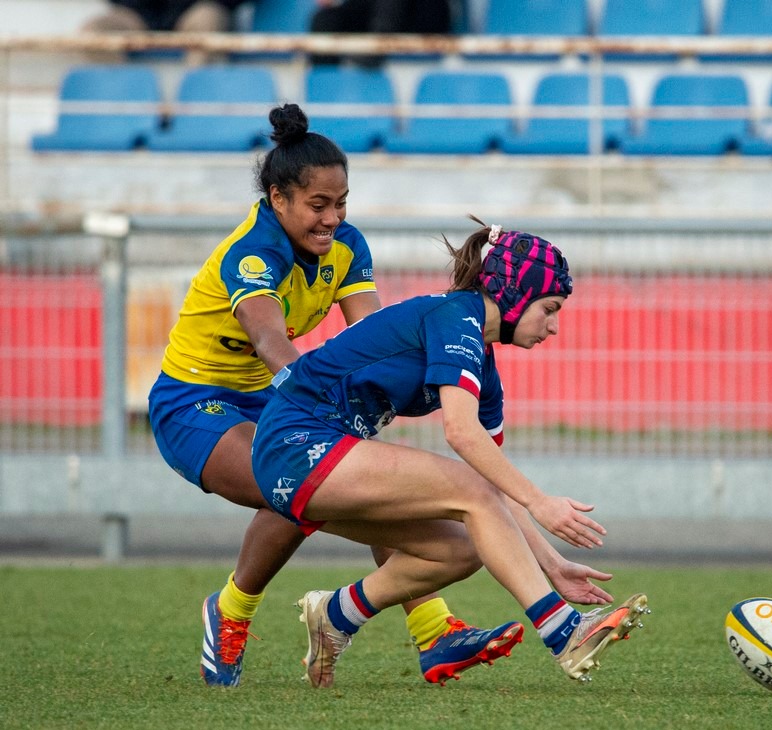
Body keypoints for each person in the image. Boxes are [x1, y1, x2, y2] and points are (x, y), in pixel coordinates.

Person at [147, 103, 519, 689]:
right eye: (318, 205)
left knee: (352, 482)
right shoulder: (253, 252)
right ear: (278, 199)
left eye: (341, 203)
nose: (332, 218)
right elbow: (269, 336)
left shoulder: (346, 247)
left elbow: (372, 342)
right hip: (195, 403)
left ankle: (435, 635)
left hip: (274, 402)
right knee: (300, 481)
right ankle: (230, 612)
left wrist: (430, 373)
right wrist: (315, 404)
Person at [250, 219, 650, 686]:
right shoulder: (457, 317)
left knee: (460, 550)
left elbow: (490, 487)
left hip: (318, 460)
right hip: (292, 442)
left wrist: (553, 563)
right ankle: (564, 634)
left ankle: (336, 615)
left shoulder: (483, 362)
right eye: (550, 308)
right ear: (516, 295)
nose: (554, 327)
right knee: (471, 494)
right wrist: (541, 502)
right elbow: (461, 435)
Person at [309, 0, 453, 67]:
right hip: (376, 13)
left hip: (423, 15)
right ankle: (325, 83)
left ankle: (376, 47)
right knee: (325, 19)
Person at [81, 0, 246, 33]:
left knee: (207, 19)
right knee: (96, 29)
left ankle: (195, 94)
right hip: (140, 15)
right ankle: (122, 99)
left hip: (195, 11)